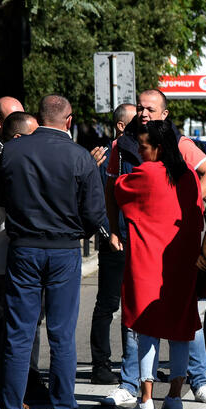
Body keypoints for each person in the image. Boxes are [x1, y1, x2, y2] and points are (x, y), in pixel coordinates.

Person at [0, 95, 107, 409]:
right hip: (64, 249)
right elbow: (94, 212)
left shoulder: (10, 151)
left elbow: (0, 197)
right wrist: (76, 233)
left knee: (19, 332)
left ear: (38, 118)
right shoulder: (79, 156)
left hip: (23, 247)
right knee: (62, 334)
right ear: (68, 121)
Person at [101, 89, 206, 407]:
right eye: (140, 107)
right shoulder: (121, 145)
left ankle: (198, 380)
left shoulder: (180, 144)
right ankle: (131, 384)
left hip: (175, 243)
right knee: (138, 316)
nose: (143, 112)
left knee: (183, 317)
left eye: (150, 108)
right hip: (139, 240)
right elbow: (111, 189)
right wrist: (115, 229)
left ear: (164, 114)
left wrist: (181, 201)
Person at [115, 119, 205, 409]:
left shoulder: (146, 173)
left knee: (148, 329)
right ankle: (175, 397)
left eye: (143, 146)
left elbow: (117, 189)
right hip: (181, 263)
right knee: (180, 332)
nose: (140, 152)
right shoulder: (190, 175)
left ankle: (146, 399)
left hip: (149, 263)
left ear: (158, 148)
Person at [0, 111, 49, 409]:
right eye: (34, 137)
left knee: (15, 329)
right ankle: (11, 399)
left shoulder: (6, 160)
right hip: (9, 257)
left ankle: (11, 394)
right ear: (18, 138)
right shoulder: (6, 162)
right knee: (12, 332)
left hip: (7, 257)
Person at [87, 103, 136, 385]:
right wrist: (108, 233)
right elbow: (95, 200)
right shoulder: (104, 157)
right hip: (114, 241)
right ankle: (100, 365)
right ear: (120, 126)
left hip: (139, 241)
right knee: (107, 305)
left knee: (136, 305)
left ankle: (135, 362)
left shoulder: (141, 152)